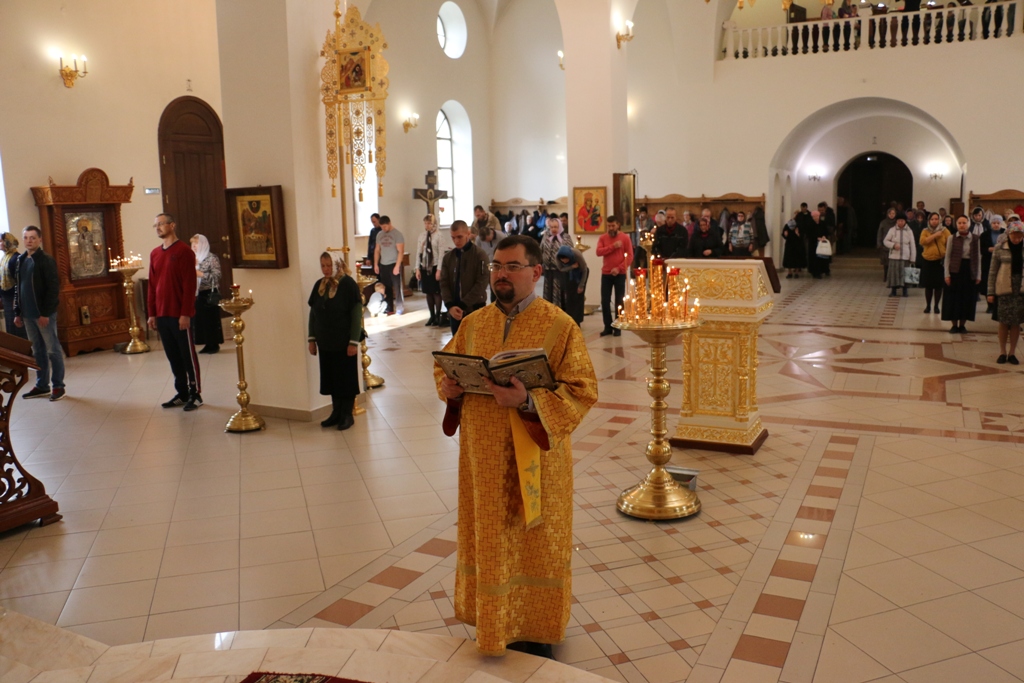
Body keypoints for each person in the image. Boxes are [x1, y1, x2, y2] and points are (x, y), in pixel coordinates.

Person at [434, 234, 597, 658]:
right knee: (490, 539)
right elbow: (445, 369)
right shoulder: (474, 324)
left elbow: (583, 389)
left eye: (511, 266)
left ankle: (535, 630)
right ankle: (494, 623)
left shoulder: (560, 326)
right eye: (496, 267)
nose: (501, 275)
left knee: (534, 543)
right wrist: (449, 387)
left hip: (536, 463)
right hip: (483, 459)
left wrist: (526, 401)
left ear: (536, 272)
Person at [145, 214, 200, 410]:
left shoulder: (184, 251)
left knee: (187, 355)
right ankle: (182, 392)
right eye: (155, 225)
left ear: (172, 225)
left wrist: (186, 313)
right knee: (173, 356)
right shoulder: (155, 253)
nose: (158, 228)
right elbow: (152, 285)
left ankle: (195, 393)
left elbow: (189, 285)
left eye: (161, 224)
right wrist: (152, 313)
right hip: (162, 314)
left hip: (179, 314)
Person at [308, 251, 362, 430]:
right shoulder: (320, 285)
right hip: (325, 341)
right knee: (331, 377)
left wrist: (353, 341)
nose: (326, 269)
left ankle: (347, 414)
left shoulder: (348, 284)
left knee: (345, 378)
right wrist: (312, 339)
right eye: (323, 265)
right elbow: (313, 314)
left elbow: (356, 314)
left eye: (329, 265)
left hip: (344, 341)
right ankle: (336, 412)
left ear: (337, 265)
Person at [14, 226, 64, 401]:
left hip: (43, 314)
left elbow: (53, 288)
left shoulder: (46, 260)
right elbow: (18, 287)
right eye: (26, 237)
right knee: (37, 351)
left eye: (33, 237)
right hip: (27, 314)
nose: (29, 241)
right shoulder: (20, 260)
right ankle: (42, 385)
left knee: (52, 350)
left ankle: (58, 386)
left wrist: (45, 313)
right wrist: (17, 312)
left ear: (40, 240)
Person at [440, 220, 489, 334]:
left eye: (459, 237)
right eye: (453, 237)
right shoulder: (448, 258)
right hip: (454, 309)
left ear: (468, 233)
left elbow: (481, 283)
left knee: (475, 341)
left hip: (475, 307)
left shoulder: (479, 255)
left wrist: (463, 304)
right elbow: (444, 283)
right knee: (457, 342)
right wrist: (450, 305)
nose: (456, 241)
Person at [988, 218, 1024, 364]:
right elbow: (992, 271)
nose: (1017, 239)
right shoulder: (999, 248)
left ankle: (1012, 353)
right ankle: (1002, 352)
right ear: (1009, 234)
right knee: (1003, 321)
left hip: (1020, 289)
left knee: (1016, 322)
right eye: (1014, 236)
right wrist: (990, 292)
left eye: (1020, 236)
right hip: (1004, 288)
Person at [943, 215, 981, 333]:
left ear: (969, 224)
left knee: (966, 298)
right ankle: (954, 325)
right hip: (955, 271)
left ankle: (963, 325)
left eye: (964, 223)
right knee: (953, 299)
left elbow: (978, 257)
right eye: (959, 223)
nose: (962, 225)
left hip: (969, 270)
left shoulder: (975, 238)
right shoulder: (952, 238)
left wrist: (978, 275)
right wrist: (946, 274)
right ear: (956, 224)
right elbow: (947, 257)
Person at [595, 215, 632, 337]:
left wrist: (619, 268)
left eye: (613, 226)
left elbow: (630, 256)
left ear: (618, 225)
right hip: (606, 273)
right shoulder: (603, 238)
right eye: (608, 226)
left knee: (619, 300)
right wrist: (613, 247)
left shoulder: (625, 238)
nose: (610, 228)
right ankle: (607, 327)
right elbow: (598, 252)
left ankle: (618, 326)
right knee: (605, 301)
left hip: (620, 274)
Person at [189, 234, 223, 354]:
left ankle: (213, 344)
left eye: (196, 243)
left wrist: (201, 274)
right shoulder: (192, 258)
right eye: (192, 243)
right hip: (196, 292)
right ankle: (206, 343)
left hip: (208, 292)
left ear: (203, 244)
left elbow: (217, 276)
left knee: (210, 320)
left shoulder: (211, 258)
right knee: (200, 320)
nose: (194, 246)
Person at [416, 214, 446, 327]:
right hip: (425, 266)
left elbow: (441, 254)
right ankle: (432, 315)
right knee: (428, 292)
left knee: (436, 292)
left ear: (434, 224)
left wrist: (439, 270)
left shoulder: (439, 235)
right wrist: (417, 268)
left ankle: (438, 315)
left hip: (434, 266)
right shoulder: (422, 236)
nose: (427, 225)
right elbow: (418, 253)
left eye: (429, 223)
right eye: (425, 223)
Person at [373, 215, 405, 315]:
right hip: (383, 264)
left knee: (397, 287)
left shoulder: (397, 234)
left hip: (394, 263)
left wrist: (397, 266)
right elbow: (377, 250)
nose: (383, 229)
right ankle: (389, 307)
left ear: (389, 223)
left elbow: (401, 251)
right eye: (381, 227)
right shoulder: (379, 234)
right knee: (386, 287)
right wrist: (376, 264)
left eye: (385, 227)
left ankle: (399, 306)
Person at [919, 212, 949, 313]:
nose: (934, 221)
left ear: (940, 220)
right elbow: (922, 241)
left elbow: (950, 243)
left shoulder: (945, 231)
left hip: (940, 262)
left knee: (938, 286)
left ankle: (936, 306)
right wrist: (935, 235)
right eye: (932, 219)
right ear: (929, 221)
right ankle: (928, 306)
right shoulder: (925, 230)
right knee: (928, 286)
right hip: (927, 261)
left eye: (936, 219)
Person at [0, 233, 26, 339]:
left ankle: (23, 349)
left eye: (1, 241)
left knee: (18, 329)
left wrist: (16, 301)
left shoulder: (16, 258)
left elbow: (19, 282)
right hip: (6, 299)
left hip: (14, 299)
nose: (0, 243)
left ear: (8, 243)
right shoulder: (5, 258)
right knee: (11, 329)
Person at [883, 215, 917, 297]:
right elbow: (885, 241)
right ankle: (893, 291)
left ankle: (905, 291)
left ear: (905, 221)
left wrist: (913, 258)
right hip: (894, 256)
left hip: (905, 257)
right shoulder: (892, 230)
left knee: (905, 274)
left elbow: (912, 245)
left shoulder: (909, 231)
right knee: (894, 274)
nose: (900, 222)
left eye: (902, 221)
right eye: (899, 221)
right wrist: (893, 245)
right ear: (896, 221)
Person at [541, 216, 570, 306]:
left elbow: (570, 252)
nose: (553, 229)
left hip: (560, 270)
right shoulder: (546, 236)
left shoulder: (565, 237)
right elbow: (541, 249)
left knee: (558, 293)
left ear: (560, 227)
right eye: (551, 227)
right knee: (548, 292)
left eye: (556, 227)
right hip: (548, 269)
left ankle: (558, 310)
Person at [555, 245, 588, 325]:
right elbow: (561, 269)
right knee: (569, 297)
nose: (564, 262)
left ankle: (577, 321)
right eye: (562, 261)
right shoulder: (557, 257)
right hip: (568, 273)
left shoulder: (577, 254)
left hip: (581, 273)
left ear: (569, 257)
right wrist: (571, 266)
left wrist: (581, 285)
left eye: (566, 260)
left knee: (578, 297)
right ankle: (570, 320)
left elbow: (584, 270)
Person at [981, 214, 1005, 312]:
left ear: (1001, 223)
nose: (996, 225)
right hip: (988, 261)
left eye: (998, 223)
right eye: (994, 223)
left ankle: (998, 305)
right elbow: (980, 248)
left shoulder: (1005, 233)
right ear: (991, 224)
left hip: (1002, 261)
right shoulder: (984, 235)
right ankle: (990, 305)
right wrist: (988, 249)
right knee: (988, 282)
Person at [807, 211, 833, 279]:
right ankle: (815, 272)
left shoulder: (822, 223)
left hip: (822, 243)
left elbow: (826, 231)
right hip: (813, 244)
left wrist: (824, 236)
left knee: (822, 258)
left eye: (817, 216)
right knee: (814, 258)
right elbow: (808, 234)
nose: (816, 218)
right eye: (814, 216)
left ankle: (822, 270)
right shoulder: (810, 224)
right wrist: (816, 238)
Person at [782, 211, 807, 278]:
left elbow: (803, 235)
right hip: (790, 244)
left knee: (797, 258)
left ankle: (796, 272)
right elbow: (784, 233)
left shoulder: (799, 225)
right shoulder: (788, 224)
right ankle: (790, 272)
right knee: (789, 258)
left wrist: (798, 234)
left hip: (797, 244)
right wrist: (785, 235)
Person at [877, 207, 898, 281]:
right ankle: (885, 276)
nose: (892, 215)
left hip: (895, 245)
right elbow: (880, 234)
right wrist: (879, 244)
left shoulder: (897, 222)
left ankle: (893, 277)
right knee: (886, 263)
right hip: (885, 245)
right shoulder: (883, 223)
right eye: (890, 213)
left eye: (893, 213)